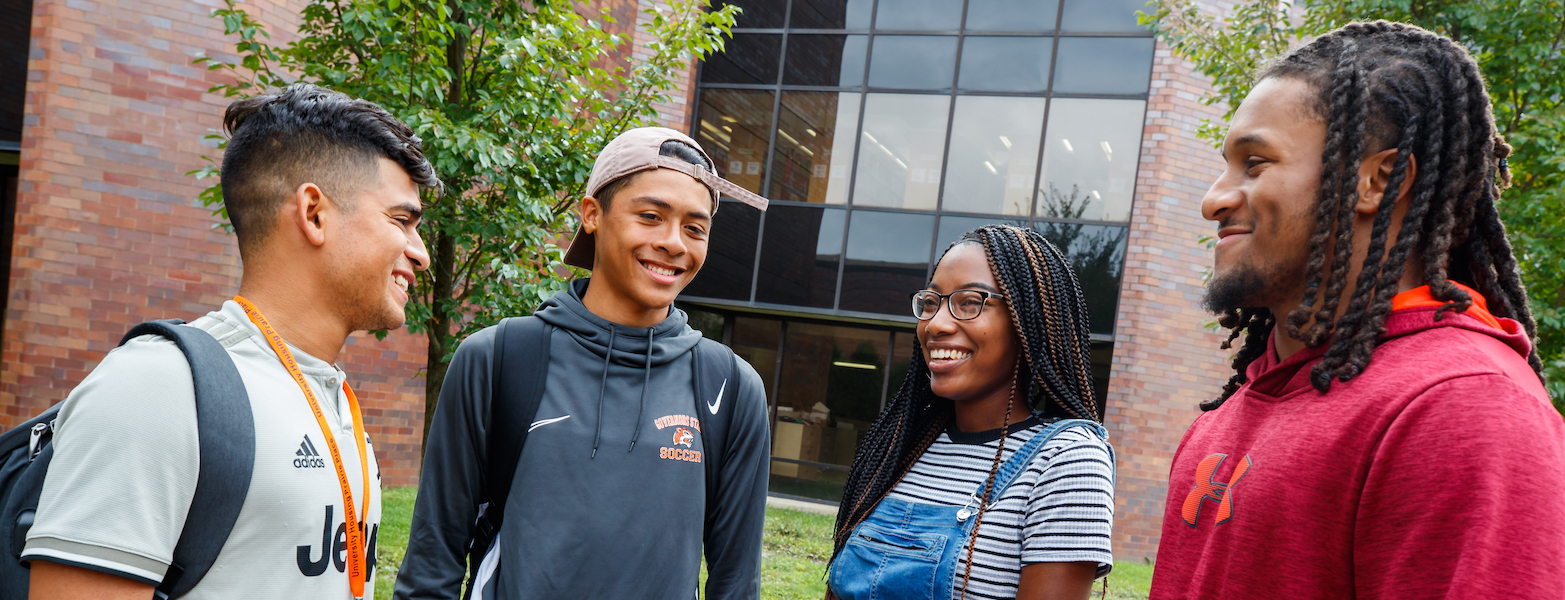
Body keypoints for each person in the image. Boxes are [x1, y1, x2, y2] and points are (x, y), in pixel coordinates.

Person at [1150, 21, 1565, 599]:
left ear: (1380, 180)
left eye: (1255, 163)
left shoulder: (1465, 409)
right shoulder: (1237, 405)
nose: (1213, 199)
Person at [22, 83, 438, 599]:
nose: (420, 253)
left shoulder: (332, 398)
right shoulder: (159, 386)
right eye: (401, 221)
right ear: (313, 214)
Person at [394, 127, 772, 600]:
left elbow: (736, 584)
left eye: (695, 228)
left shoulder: (730, 388)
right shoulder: (499, 360)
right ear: (592, 215)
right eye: (651, 216)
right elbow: (432, 564)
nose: (674, 242)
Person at [826, 224, 1115, 600]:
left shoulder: (1066, 460)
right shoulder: (901, 445)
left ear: (1027, 321)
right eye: (930, 303)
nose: (936, 324)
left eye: (969, 302)